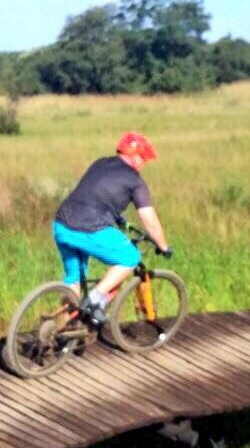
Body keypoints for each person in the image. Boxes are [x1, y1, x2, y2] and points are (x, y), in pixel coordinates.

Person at [53, 131, 171, 325]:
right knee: (131, 257)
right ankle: (93, 301)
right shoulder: (135, 181)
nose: (144, 164)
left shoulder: (100, 163)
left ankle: (64, 331)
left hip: (62, 225)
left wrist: (119, 218)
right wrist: (163, 246)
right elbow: (150, 221)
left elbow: (94, 194)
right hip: (89, 229)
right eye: (144, 159)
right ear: (135, 157)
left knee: (74, 279)